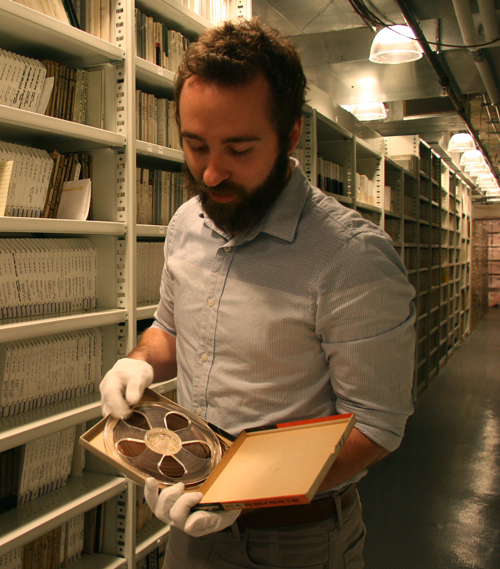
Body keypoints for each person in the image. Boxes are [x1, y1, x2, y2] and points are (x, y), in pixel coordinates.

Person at [100, 17, 416, 569]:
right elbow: (171, 328)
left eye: (240, 150)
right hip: (189, 527)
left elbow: (376, 426)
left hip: (299, 540)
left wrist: (245, 489)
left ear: (290, 135)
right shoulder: (185, 224)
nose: (213, 174)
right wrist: (138, 363)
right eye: (195, 146)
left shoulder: (353, 258)